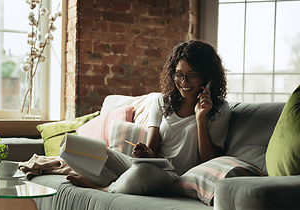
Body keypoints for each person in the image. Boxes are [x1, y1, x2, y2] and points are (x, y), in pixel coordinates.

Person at [66, 40, 231, 195]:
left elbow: (210, 161)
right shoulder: (162, 101)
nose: (183, 82)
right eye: (179, 74)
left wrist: (200, 118)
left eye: (192, 75)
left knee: (141, 174)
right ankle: (124, 184)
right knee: (71, 148)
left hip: (175, 177)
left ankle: (103, 187)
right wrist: (145, 153)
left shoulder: (219, 110)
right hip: (152, 167)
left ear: (207, 78)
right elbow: (153, 151)